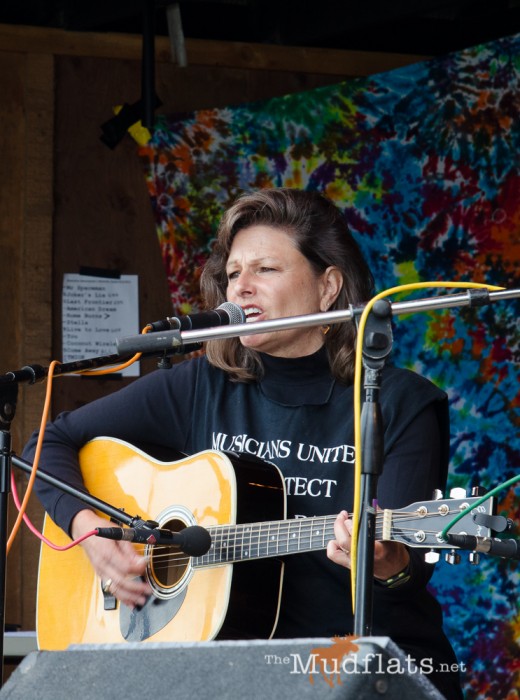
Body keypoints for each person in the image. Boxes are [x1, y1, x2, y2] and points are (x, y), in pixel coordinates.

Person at [23, 187, 462, 698]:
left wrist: (389, 565)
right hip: (232, 672)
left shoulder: (400, 402)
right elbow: (46, 445)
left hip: (360, 667)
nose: (242, 288)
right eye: (233, 274)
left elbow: (406, 572)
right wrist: (90, 532)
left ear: (328, 287)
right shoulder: (200, 386)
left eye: (265, 270)